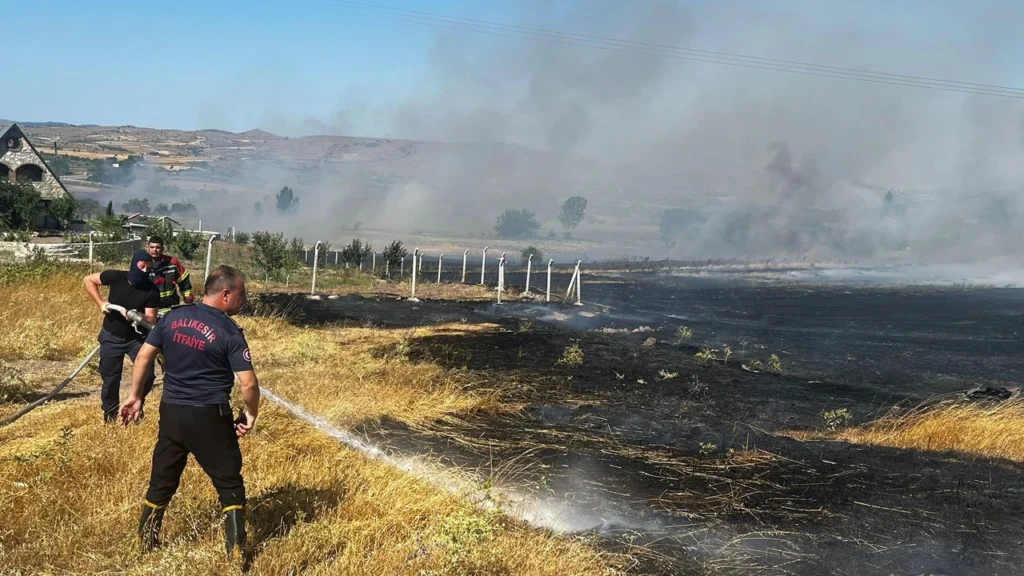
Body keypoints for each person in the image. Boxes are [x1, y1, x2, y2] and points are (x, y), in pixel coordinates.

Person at [120, 265, 260, 561]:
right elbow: (247, 383)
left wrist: (135, 396)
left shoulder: (172, 317)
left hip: (171, 412)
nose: (243, 299)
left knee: (162, 479)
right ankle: (236, 552)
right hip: (209, 415)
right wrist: (250, 414)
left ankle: (144, 542)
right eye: (241, 293)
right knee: (229, 483)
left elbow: (144, 355)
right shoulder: (228, 331)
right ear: (225, 294)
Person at [82, 250, 160, 423]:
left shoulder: (151, 290)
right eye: (142, 267)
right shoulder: (116, 277)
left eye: (149, 269)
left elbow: (150, 319)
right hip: (112, 335)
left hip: (137, 339)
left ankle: (136, 406)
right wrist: (101, 303)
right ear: (134, 265)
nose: (145, 272)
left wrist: (136, 315)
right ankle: (109, 415)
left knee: (147, 376)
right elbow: (88, 280)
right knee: (110, 378)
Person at [145, 235, 194, 317]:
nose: (154, 250)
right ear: (148, 248)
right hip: (148, 309)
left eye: (158, 247)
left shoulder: (172, 263)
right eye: (152, 247)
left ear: (162, 249)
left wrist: (188, 300)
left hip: (170, 309)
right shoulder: (143, 263)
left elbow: (184, 281)